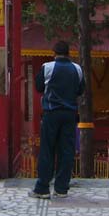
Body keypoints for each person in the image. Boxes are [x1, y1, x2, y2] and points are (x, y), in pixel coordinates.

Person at [29, 40, 85, 199]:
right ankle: (61, 188)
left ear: (54, 53)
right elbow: (81, 89)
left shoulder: (47, 68)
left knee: (47, 149)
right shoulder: (77, 69)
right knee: (66, 151)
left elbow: (39, 87)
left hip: (51, 113)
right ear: (68, 53)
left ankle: (42, 188)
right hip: (70, 115)